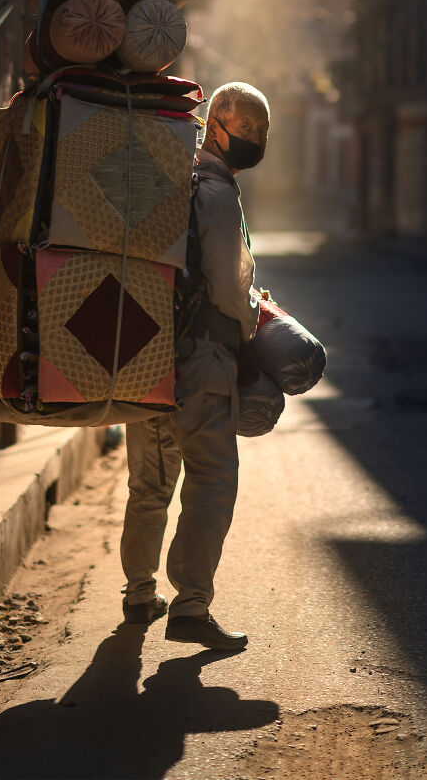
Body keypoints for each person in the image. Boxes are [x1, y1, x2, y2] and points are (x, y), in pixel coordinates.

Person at [119, 81, 270, 651]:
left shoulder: (169, 180)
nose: (254, 139)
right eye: (247, 128)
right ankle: (190, 606)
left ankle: (139, 593)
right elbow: (230, 288)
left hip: (147, 356)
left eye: (261, 131)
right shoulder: (218, 193)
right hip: (203, 361)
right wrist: (254, 321)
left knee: (149, 482)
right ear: (216, 126)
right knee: (211, 479)